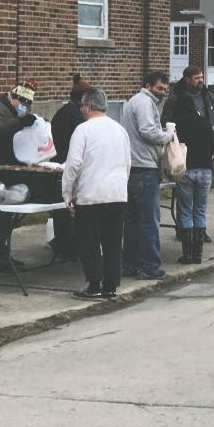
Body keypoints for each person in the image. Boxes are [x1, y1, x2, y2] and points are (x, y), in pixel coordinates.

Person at [62, 87, 131, 299]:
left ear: (89, 106)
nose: (81, 110)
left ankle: (94, 284)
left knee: (89, 241)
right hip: (117, 193)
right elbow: (127, 162)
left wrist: (67, 192)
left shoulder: (83, 130)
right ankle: (111, 285)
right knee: (113, 242)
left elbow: (73, 164)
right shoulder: (120, 130)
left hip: (91, 194)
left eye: (83, 106)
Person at [163, 66, 214, 263]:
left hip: (186, 170)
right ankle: (198, 254)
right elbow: (213, 140)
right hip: (205, 169)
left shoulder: (176, 124)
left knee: (185, 210)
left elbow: (171, 144)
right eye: (197, 77)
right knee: (200, 210)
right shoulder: (203, 122)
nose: (201, 80)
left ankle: (187, 254)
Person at [121, 70, 174, 279]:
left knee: (132, 221)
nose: (162, 92)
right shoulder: (144, 103)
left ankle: (130, 264)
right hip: (145, 168)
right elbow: (148, 131)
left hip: (132, 167)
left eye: (165, 89)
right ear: (148, 85)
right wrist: (168, 135)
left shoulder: (133, 102)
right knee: (149, 221)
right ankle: (150, 267)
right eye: (159, 88)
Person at [0, 80, 39, 272]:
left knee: (5, 217)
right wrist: (20, 122)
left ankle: (2, 255)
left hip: (5, 168)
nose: (24, 108)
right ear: (13, 97)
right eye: (22, 103)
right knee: (0, 216)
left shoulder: (9, 111)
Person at [48, 74, 92, 261]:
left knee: (63, 210)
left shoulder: (63, 111)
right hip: (68, 164)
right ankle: (69, 246)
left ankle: (63, 244)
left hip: (61, 163)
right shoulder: (76, 115)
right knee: (69, 210)